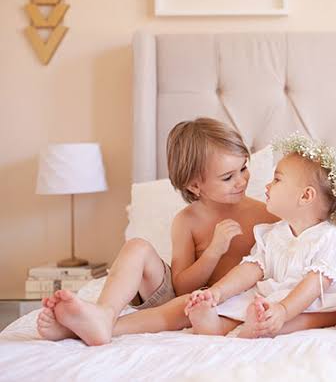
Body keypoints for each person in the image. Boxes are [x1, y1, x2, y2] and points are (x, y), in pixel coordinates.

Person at [36, 117, 278, 345]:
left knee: (191, 304)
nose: (241, 181)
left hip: (221, 303)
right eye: (227, 177)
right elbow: (181, 287)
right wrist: (213, 251)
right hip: (182, 294)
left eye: (243, 168)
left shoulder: (266, 214)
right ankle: (104, 312)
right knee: (136, 247)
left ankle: (83, 328)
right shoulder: (187, 221)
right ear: (195, 186)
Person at [184, 134, 336, 338]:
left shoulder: (332, 240)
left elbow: (314, 286)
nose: (267, 186)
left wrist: (283, 310)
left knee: (319, 313)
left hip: (325, 300)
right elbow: (250, 269)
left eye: (277, 180)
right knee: (250, 300)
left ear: (305, 196)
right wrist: (218, 292)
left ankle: (264, 327)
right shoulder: (273, 234)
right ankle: (216, 325)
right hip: (283, 295)